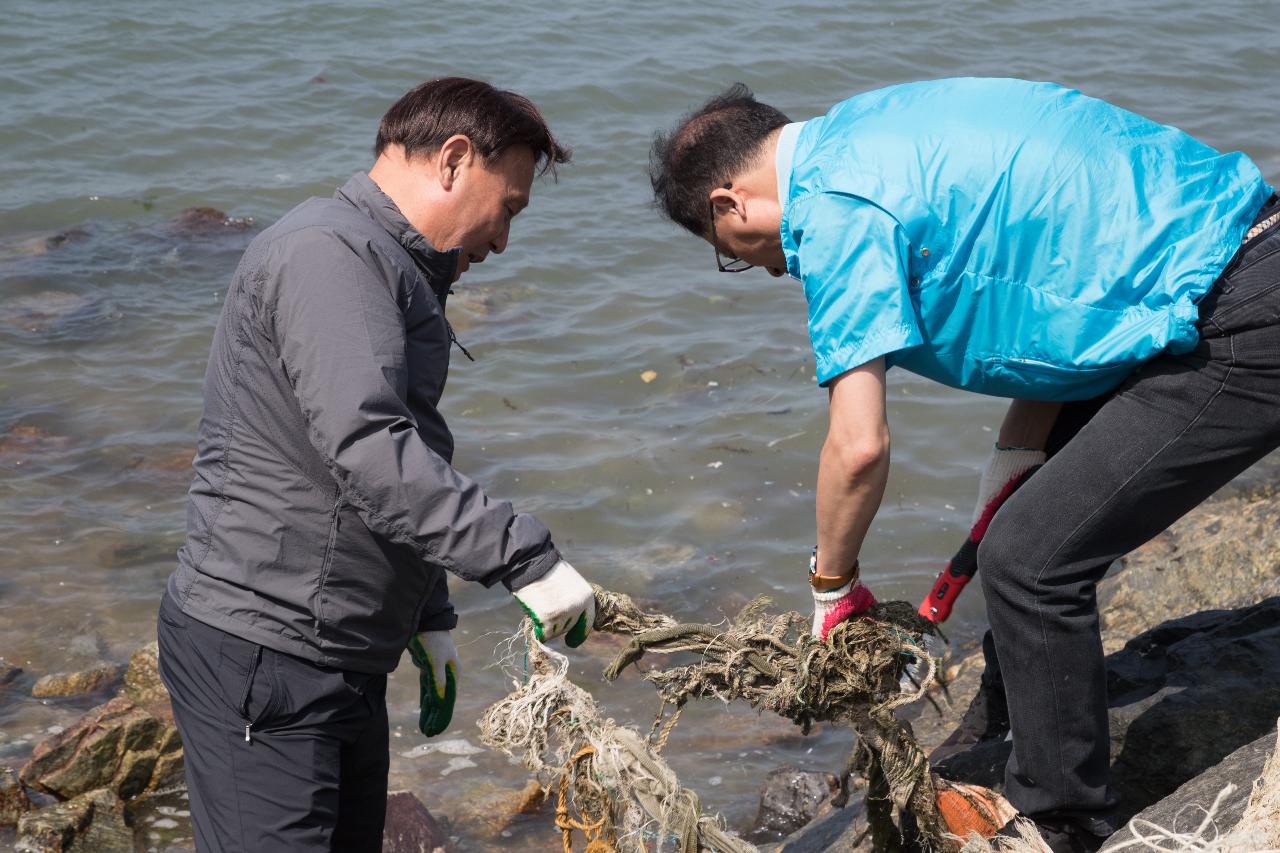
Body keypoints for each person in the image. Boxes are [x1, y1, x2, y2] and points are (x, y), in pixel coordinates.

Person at [649, 77, 1277, 852]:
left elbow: (859, 445)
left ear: (729, 204)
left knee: (1028, 561)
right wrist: (1014, 460)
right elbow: (1051, 306)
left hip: (1234, 313)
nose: (773, 270)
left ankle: (1060, 820)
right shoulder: (880, 127)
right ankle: (1003, 721)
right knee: (1022, 529)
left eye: (735, 258)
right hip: (1220, 265)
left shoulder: (835, 207)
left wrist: (832, 588)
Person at [156, 77, 597, 852]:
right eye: (510, 208)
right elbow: (368, 448)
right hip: (267, 653)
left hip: (332, 654)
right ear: (455, 161)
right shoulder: (328, 256)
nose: (502, 240)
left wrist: (427, 613)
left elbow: (396, 456)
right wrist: (522, 556)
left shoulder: (390, 266)